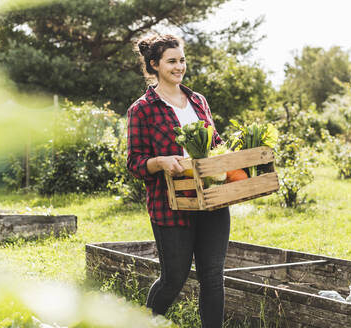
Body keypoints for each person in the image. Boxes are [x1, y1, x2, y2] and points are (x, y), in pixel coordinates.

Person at [126, 33, 230, 328]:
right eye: (171, 61)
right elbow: (134, 162)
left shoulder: (198, 100)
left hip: (211, 199)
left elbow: (215, 142)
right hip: (169, 205)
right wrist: (160, 162)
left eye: (181, 60)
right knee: (174, 278)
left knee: (212, 276)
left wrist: (232, 154)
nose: (179, 66)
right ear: (154, 65)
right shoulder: (141, 109)